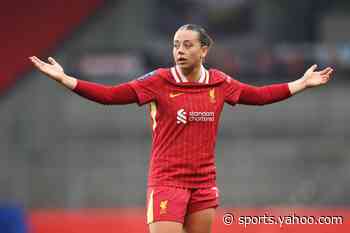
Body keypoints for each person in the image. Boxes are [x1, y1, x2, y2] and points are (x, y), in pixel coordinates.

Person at [29, 24, 333, 233]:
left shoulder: (220, 82)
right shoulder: (158, 81)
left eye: (188, 45)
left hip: (203, 184)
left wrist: (301, 83)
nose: (180, 50)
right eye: (176, 45)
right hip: (167, 183)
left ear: (204, 51)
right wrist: (65, 79)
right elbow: (111, 96)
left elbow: (260, 96)